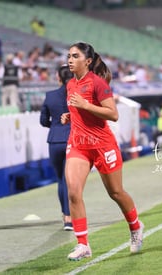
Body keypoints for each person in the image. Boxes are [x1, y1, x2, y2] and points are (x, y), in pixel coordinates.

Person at [61, 42, 144, 261]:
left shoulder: (98, 84)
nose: (70, 59)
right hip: (78, 145)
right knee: (73, 192)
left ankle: (135, 228)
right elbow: (80, 110)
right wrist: (71, 115)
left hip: (102, 145)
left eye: (75, 56)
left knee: (116, 193)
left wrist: (86, 107)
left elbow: (113, 114)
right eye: (69, 55)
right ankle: (83, 244)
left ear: (87, 61)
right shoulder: (70, 84)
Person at [40, 65, 74, 231]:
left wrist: (54, 126)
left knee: (61, 180)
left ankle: (65, 215)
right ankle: (69, 218)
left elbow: (43, 120)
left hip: (54, 141)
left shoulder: (50, 96)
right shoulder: (76, 94)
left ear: (58, 78)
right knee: (69, 179)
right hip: (72, 140)